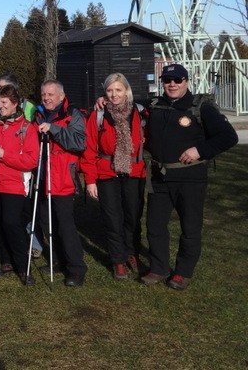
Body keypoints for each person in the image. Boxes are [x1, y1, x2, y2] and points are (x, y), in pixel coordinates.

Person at [140, 63, 238, 291]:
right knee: (154, 225)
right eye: (167, 80)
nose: (172, 85)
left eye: (177, 80)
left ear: (186, 82)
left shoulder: (200, 108)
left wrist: (200, 150)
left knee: (190, 228)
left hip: (190, 179)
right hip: (160, 177)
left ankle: (183, 272)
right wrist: (103, 100)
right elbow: (126, 102)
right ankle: (159, 267)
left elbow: (228, 137)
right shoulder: (155, 105)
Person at [80, 73, 147, 280]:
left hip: (134, 171)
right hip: (107, 172)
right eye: (109, 90)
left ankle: (131, 251)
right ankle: (118, 259)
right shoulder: (98, 114)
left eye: (118, 90)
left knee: (133, 216)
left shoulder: (140, 112)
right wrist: (90, 180)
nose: (114, 94)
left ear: (126, 90)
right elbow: (89, 148)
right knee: (112, 217)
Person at [0, 85, 39, 285]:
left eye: (4, 103)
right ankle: (5, 259)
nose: (0, 106)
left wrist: (4, 155)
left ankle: (23, 266)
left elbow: (31, 160)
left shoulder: (27, 128)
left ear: (15, 104)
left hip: (13, 184)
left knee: (11, 223)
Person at [34, 80, 88, 287]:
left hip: (63, 178)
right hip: (43, 176)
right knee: (47, 221)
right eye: (44, 94)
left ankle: (76, 268)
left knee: (65, 225)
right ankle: (57, 260)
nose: (47, 98)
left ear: (62, 96)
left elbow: (79, 142)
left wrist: (54, 129)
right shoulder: (38, 114)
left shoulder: (72, 114)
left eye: (51, 94)